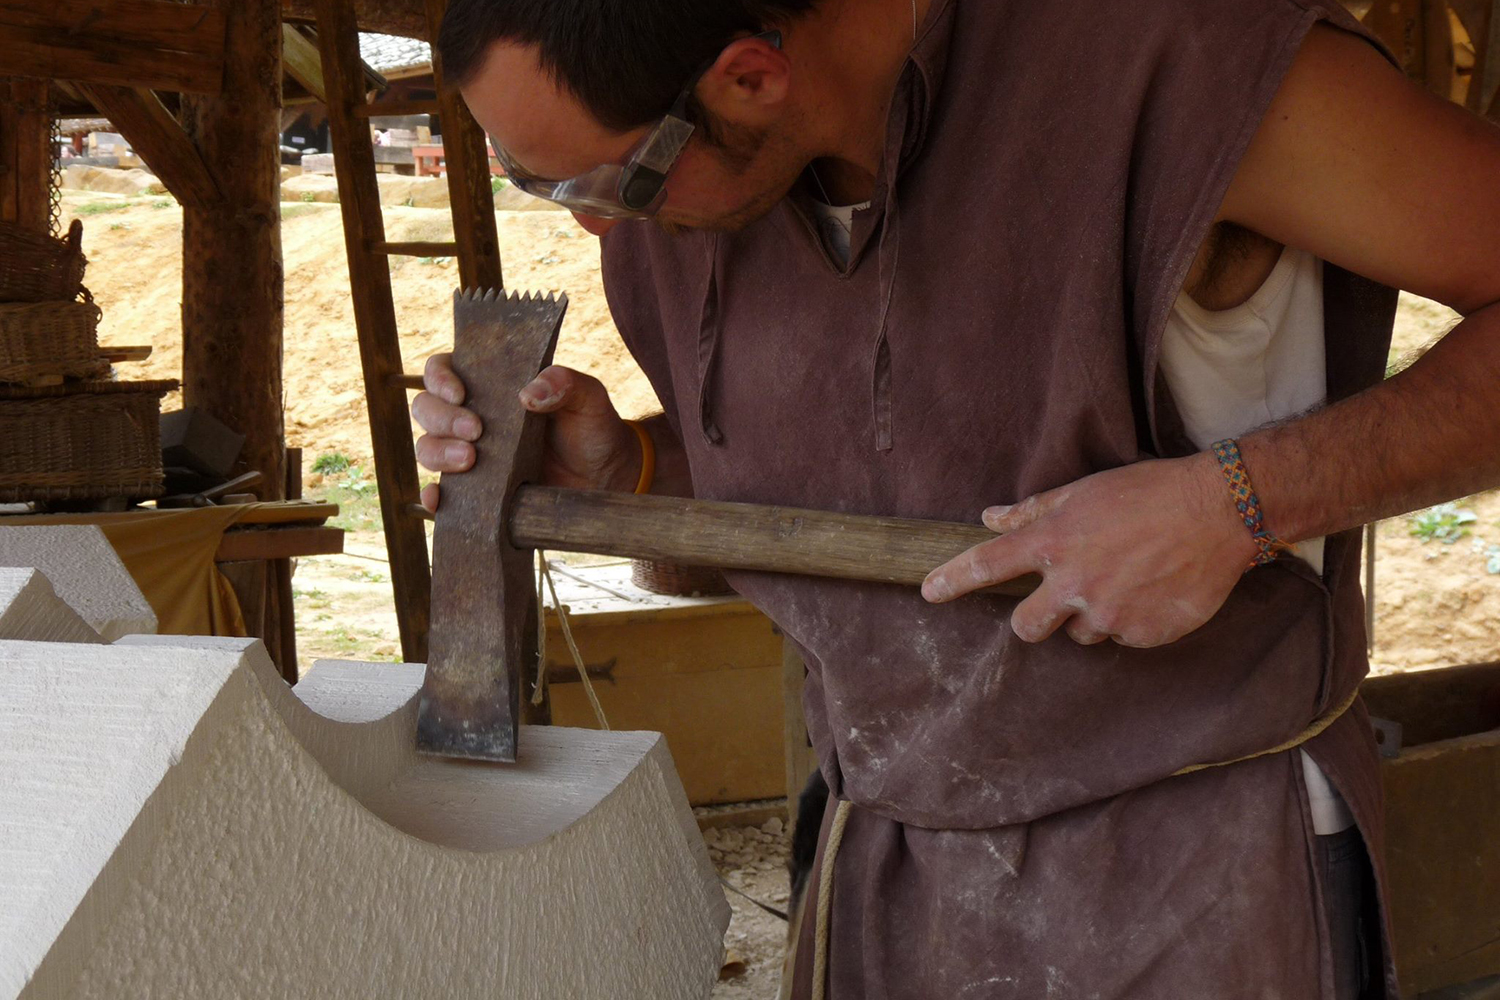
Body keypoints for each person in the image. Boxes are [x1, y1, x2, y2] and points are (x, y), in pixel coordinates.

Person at [410, 0, 1500, 996]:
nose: (594, 228)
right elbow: (851, 516)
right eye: (538, 183)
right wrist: (631, 480)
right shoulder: (683, 218)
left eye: (606, 183)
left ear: (748, 77)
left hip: (1193, 869)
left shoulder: (1172, 60)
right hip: (883, 874)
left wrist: (1239, 503)